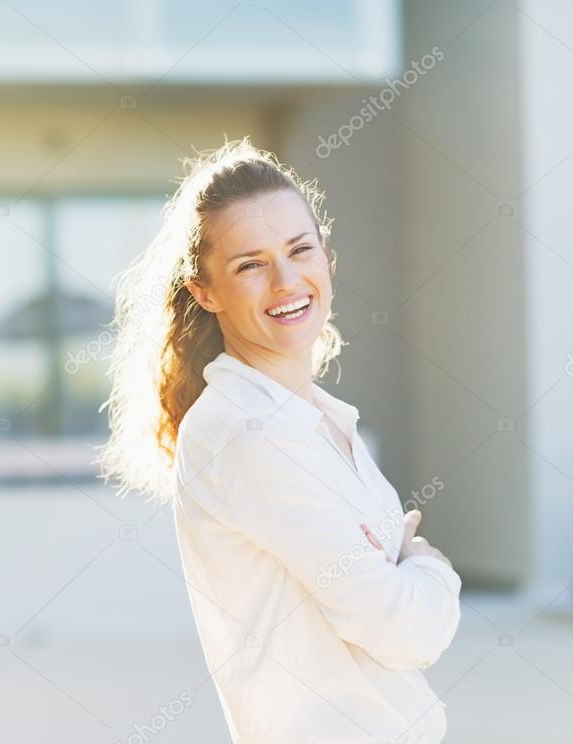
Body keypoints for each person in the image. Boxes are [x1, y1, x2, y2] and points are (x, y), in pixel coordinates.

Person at [98, 136, 461, 743]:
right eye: (251, 264)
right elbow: (404, 630)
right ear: (205, 291)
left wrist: (403, 579)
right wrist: (431, 567)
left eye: (300, 249)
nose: (287, 280)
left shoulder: (318, 419)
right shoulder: (247, 432)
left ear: (327, 258)